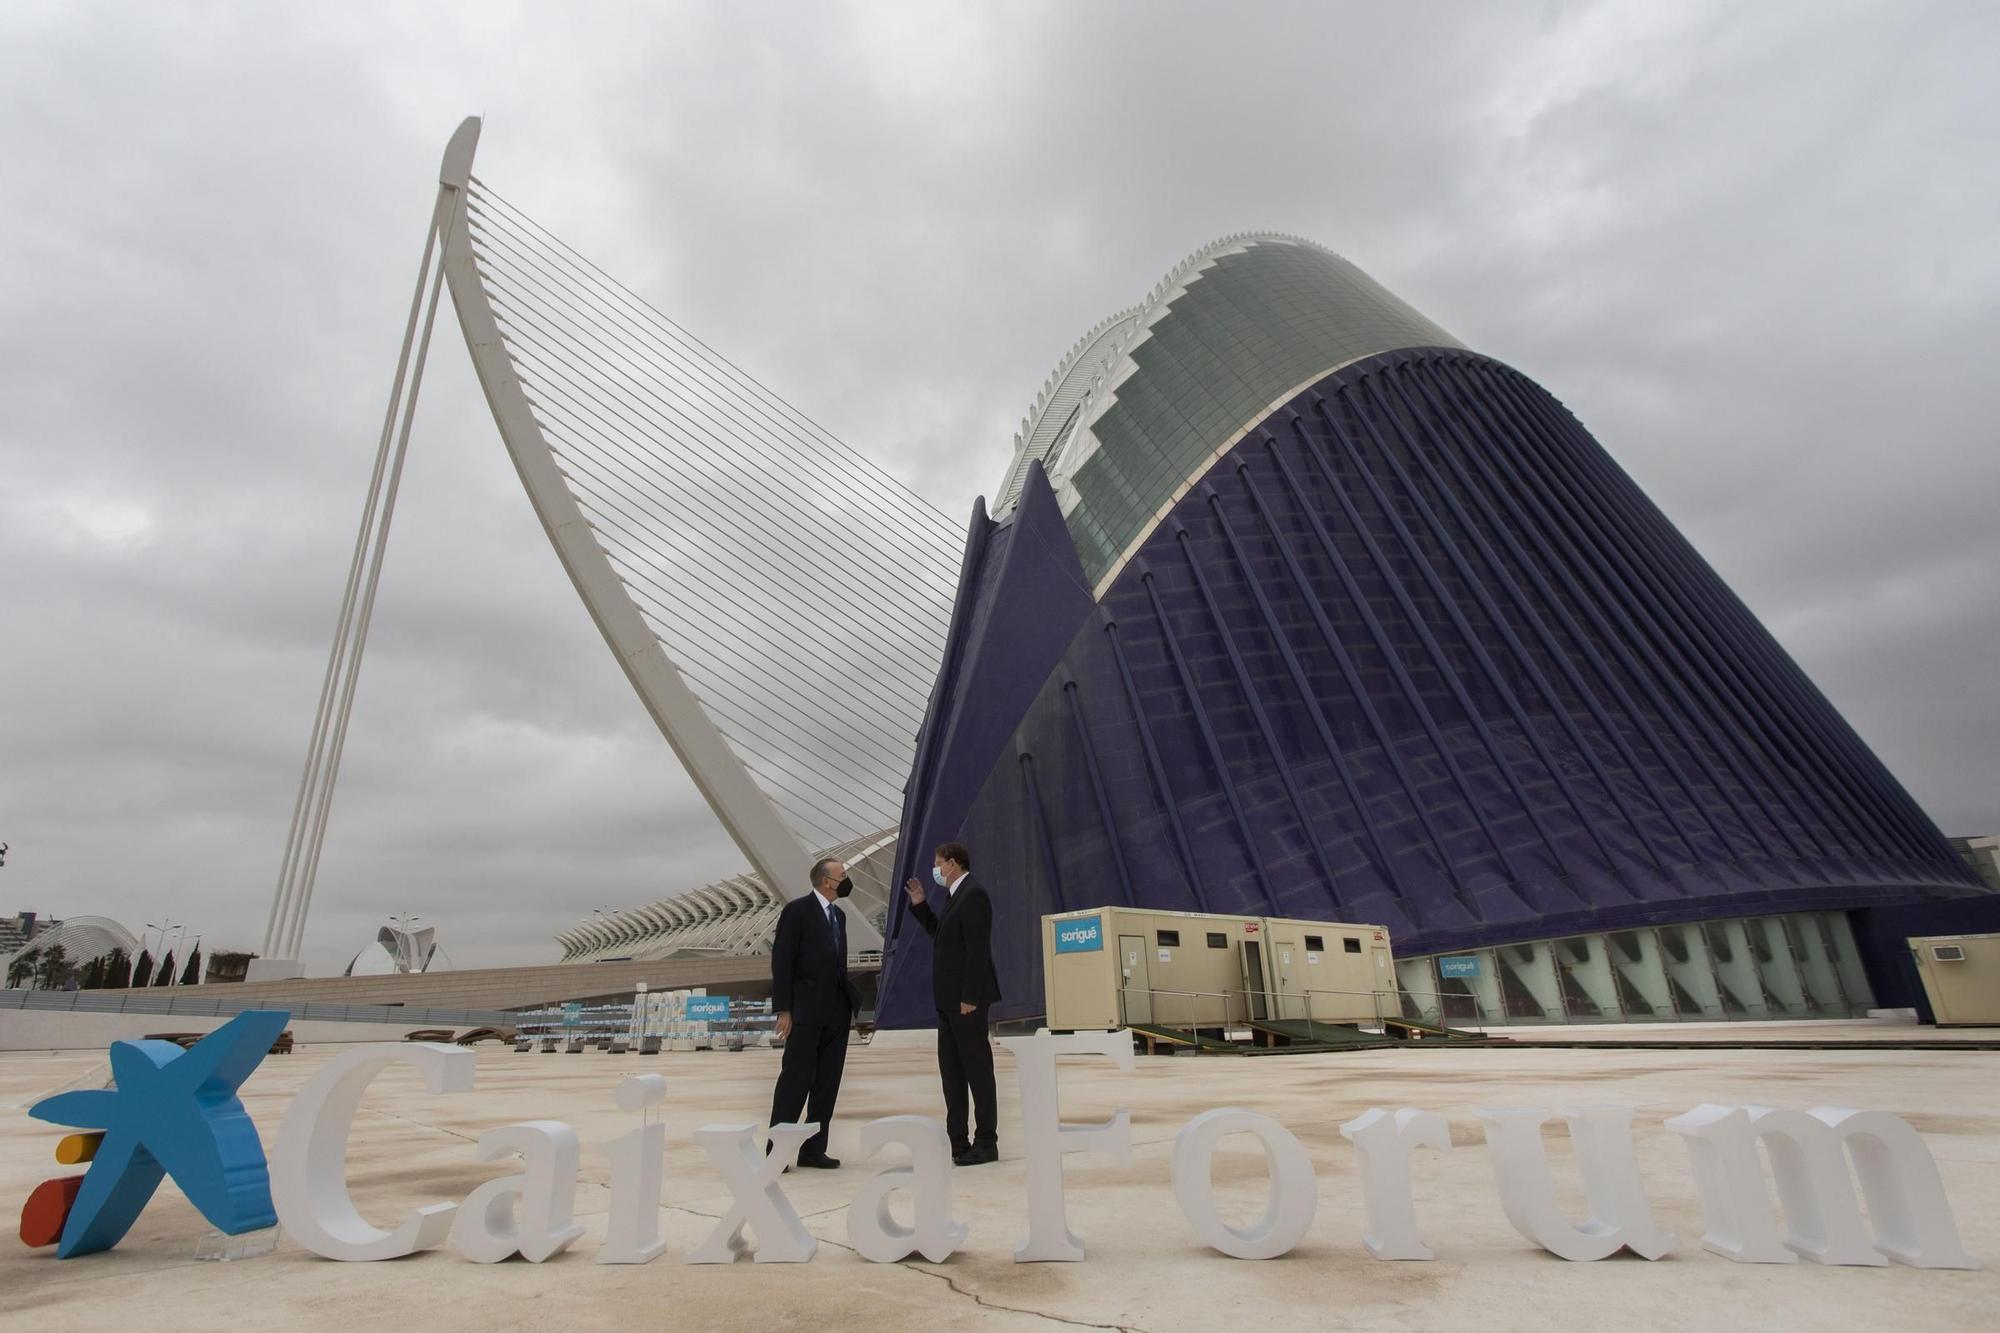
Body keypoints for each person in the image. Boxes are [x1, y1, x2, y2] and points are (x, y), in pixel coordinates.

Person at [902, 841, 1002, 1165]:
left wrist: (970, 997)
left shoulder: (974, 895)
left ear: (954, 863)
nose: (936, 869)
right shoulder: (954, 897)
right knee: (952, 1072)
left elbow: (977, 949)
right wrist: (919, 905)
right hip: (947, 1002)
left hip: (965, 1002)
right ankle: (956, 1140)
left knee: (977, 1070)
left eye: (939, 863)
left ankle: (986, 1141)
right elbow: (942, 935)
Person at [768, 856, 861, 1169]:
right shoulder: (797, 911)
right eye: (842, 875)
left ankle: (813, 1150)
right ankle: (777, 1153)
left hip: (836, 1011)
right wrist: (784, 1008)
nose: (846, 879)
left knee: (827, 1083)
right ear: (826, 881)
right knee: (795, 1081)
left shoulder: (840, 917)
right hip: (806, 1012)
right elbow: (782, 961)